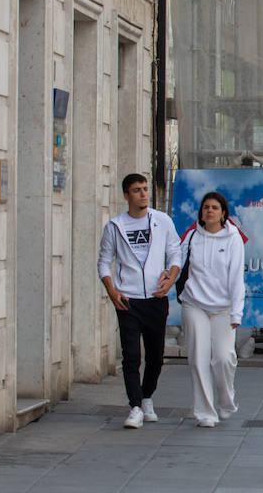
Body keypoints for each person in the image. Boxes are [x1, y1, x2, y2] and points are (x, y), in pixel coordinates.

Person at [97, 173, 182, 430]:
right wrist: (112, 291)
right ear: (126, 195)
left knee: (155, 357)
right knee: (131, 355)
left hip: (156, 299)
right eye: (137, 190)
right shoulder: (115, 226)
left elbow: (176, 251)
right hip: (128, 300)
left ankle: (146, 398)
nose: (143, 194)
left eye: (145, 189)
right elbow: (104, 262)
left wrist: (171, 276)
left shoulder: (162, 221)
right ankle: (134, 407)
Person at [177, 191, 245, 428]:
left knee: (224, 358)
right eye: (206, 207)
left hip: (223, 309)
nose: (210, 211)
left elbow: (236, 277)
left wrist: (236, 313)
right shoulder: (192, 236)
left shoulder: (233, 239)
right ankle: (205, 412)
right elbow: (176, 261)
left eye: (215, 207)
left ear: (223, 213)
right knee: (198, 359)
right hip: (194, 304)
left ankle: (226, 401)